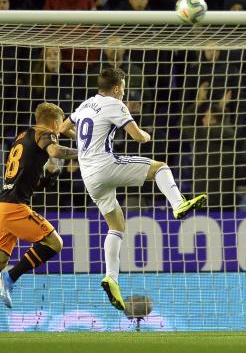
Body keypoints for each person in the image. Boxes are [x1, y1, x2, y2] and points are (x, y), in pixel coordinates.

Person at [59, 67, 207, 311]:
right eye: (124, 89)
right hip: (106, 165)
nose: (124, 93)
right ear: (117, 88)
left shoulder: (85, 105)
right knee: (160, 168)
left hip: (89, 176)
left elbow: (63, 128)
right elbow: (137, 137)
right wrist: (147, 136)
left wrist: (84, 144)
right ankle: (178, 203)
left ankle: (112, 278)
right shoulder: (115, 104)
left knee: (116, 225)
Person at [0, 102, 79, 337]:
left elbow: (26, 178)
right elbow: (56, 152)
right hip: (13, 208)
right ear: (54, 123)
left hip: (0, 205)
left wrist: (45, 180)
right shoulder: (45, 133)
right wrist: (83, 151)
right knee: (55, 243)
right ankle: (10, 277)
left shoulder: (24, 136)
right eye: (58, 126)